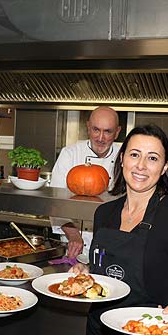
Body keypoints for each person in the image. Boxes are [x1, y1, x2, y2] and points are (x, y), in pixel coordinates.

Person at [70, 124, 168, 335]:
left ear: (165, 166)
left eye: (153, 158)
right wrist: (86, 273)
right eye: (135, 154)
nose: (141, 166)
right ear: (122, 158)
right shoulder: (104, 213)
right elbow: (103, 273)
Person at [50, 106, 122, 258]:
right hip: (73, 246)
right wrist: (74, 235)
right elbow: (56, 203)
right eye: (96, 129)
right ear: (88, 127)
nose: (100, 138)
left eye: (108, 131)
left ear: (117, 132)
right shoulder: (70, 154)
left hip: (113, 246)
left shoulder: (126, 157)